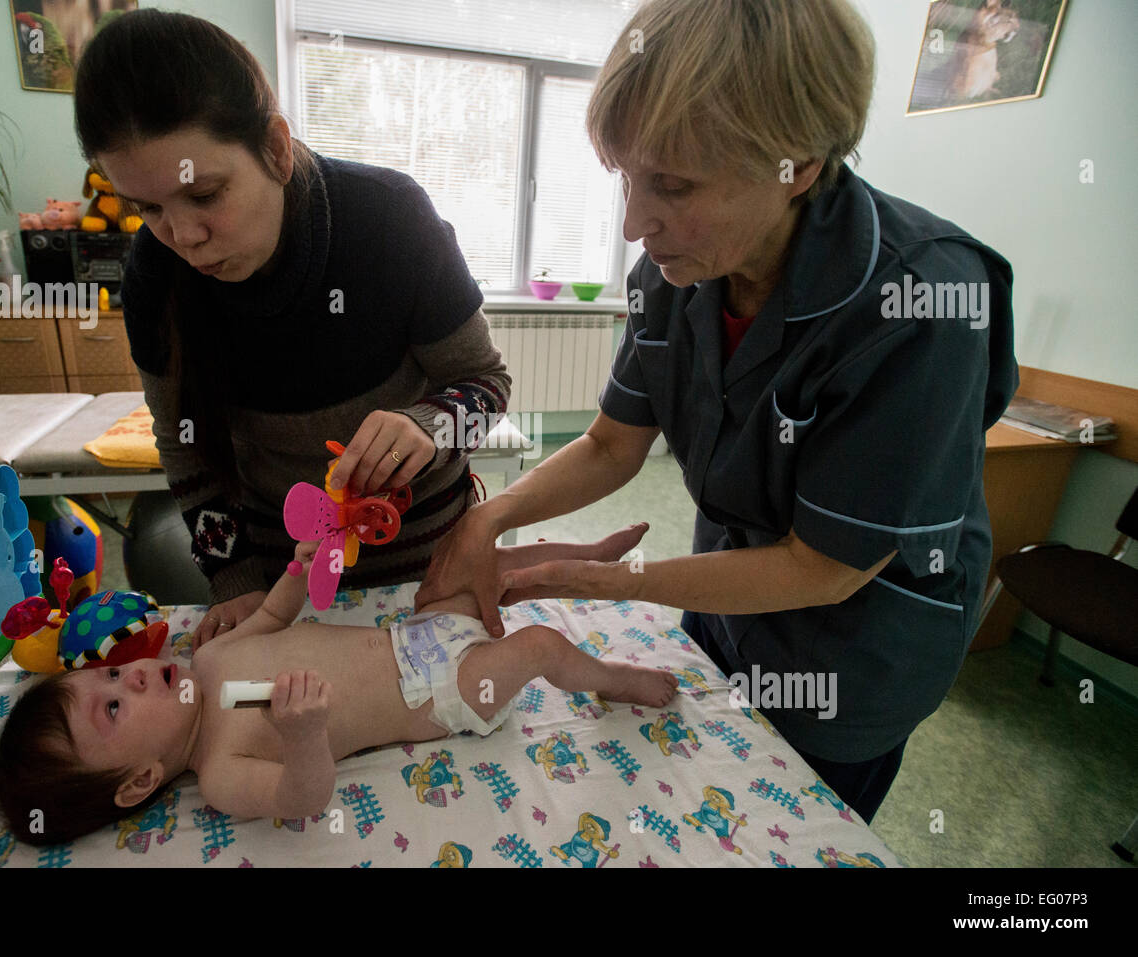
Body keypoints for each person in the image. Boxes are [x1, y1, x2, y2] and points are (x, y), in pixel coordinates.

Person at [415, 0, 1019, 824]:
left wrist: (614, 581)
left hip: (851, 655)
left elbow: (827, 565)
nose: (634, 222)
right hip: (726, 596)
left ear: (796, 164)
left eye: (672, 185)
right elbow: (610, 444)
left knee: (784, 826)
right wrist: (495, 517)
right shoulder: (677, 274)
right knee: (692, 801)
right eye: (627, 177)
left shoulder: (924, 301)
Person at [73, 10, 510, 648]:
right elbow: (184, 445)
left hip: (432, 564)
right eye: (148, 209)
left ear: (276, 148)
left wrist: (432, 423)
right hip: (287, 585)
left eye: (204, 196)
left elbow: (486, 385)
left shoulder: (388, 219)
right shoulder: (155, 274)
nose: (184, 238)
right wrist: (237, 580)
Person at [0, 523, 671, 845]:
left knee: (468, 554)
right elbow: (304, 795)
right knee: (540, 645)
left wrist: (297, 570)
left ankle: (585, 556)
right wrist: (303, 733)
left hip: (417, 634)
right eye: (115, 703)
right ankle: (614, 680)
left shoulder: (212, 658)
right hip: (443, 692)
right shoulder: (223, 769)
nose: (133, 672)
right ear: (139, 779)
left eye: (113, 672)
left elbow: (272, 615)